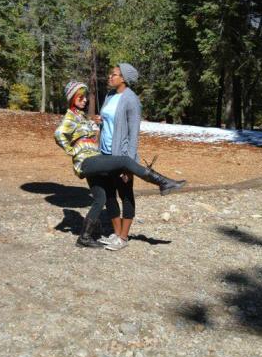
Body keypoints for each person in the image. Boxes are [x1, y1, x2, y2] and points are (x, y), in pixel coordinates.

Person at [54, 80, 186, 249]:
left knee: (100, 199)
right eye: (81, 97)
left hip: (94, 160)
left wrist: (97, 123)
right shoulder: (70, 116)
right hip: (87, 161)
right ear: (72, 97)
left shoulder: (80, 116)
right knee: (124, 161)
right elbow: (59, 134)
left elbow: (83, 132)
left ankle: (84, 238)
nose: (85, 100)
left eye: (85, 96)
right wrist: (72, 151)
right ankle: (163, 182)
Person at [97, 63, 141, 251]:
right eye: (110, 74)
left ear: (123, 78)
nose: (109, 76)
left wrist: (128, 164)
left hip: (121, 156)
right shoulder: (109, 96)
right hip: (105, 152)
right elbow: (109, 120)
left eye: (113, 74)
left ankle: (124, 237)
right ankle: (116, 233)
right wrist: (101, 120)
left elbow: (133, 134)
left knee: (125, 195)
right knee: (108, 194)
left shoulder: (131, 100)